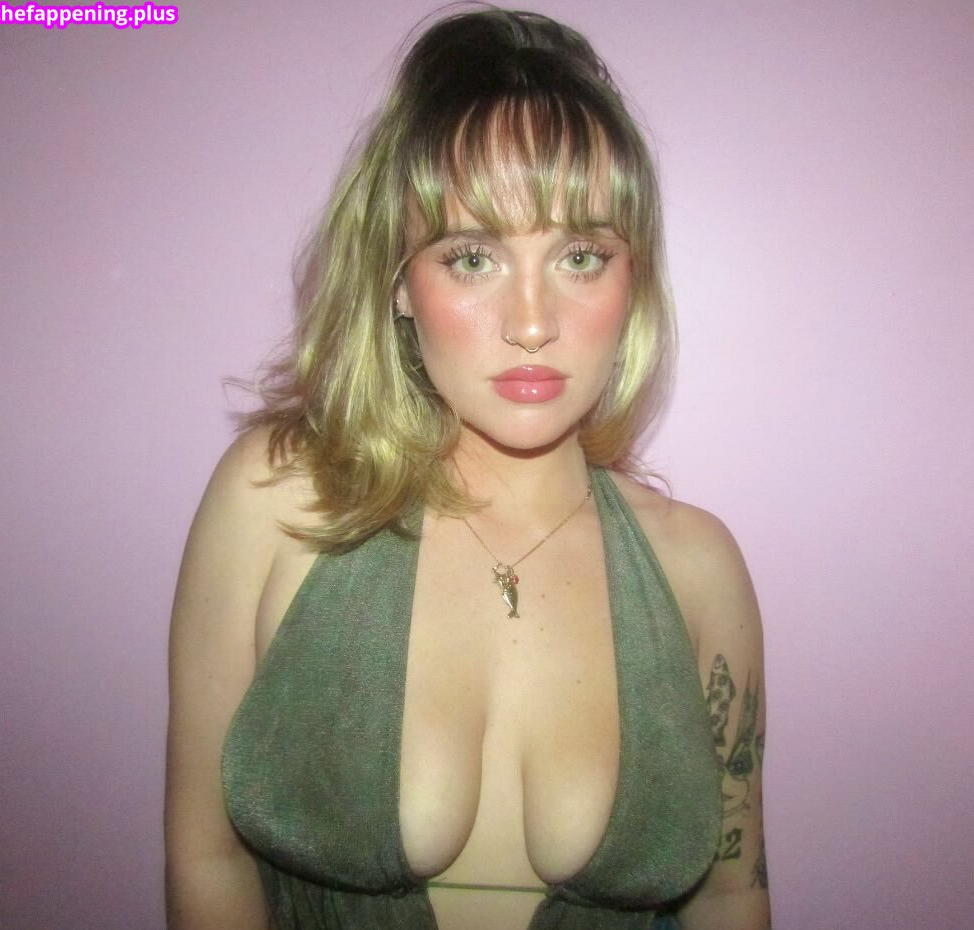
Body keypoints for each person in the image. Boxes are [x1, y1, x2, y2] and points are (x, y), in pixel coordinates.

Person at [164, 7, 769, 930]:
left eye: (580, 256)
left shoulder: (699, 568)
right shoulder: (274, 500)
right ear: (400, 281)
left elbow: (732, 893)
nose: (532, 321)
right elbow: (207, 858)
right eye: (473, 256)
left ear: (632, 279)